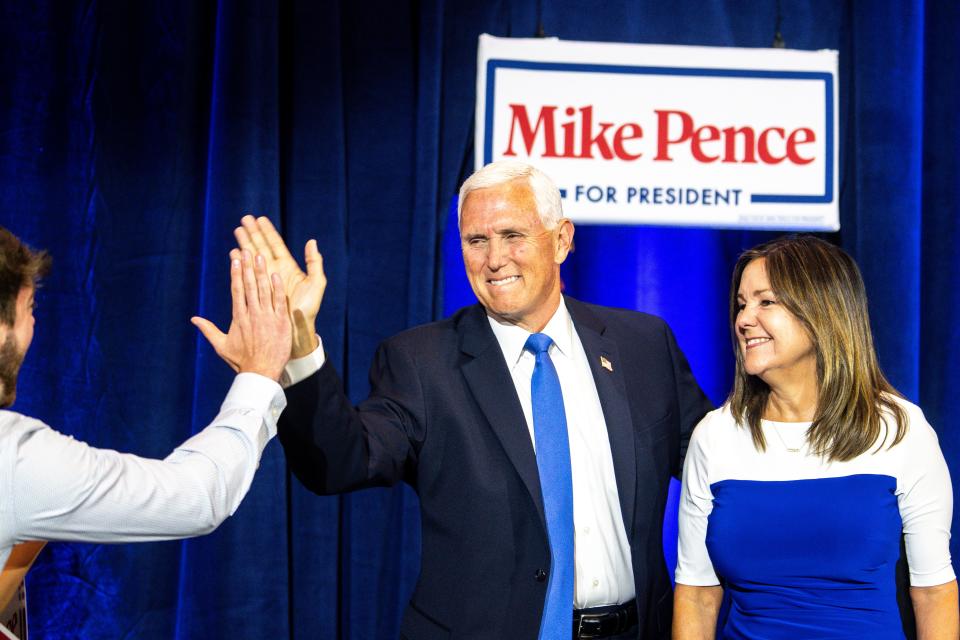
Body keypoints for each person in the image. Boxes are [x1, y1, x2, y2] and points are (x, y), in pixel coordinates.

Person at [225, 160, 712, 639]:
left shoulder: (642, 344)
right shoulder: (421, 362)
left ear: (562, 239)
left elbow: (715, 468)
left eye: (513, 235)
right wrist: (300, 348)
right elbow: (340, 464)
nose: (494, 259)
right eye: (476, 241)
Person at [673, 235, 958, 639]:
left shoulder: (899, 429)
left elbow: (933, 592)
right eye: (741, 304)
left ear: (822, 311)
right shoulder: (716, 436)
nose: (744, 319)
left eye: (765, 301)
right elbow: (697, 595)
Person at [0, 224, 291, 571]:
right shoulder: (16, 458)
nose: (34, 323)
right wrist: (259, 374)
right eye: (30, 307)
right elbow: (197, 495)